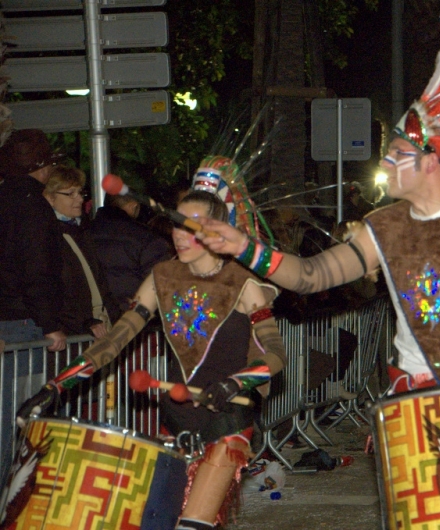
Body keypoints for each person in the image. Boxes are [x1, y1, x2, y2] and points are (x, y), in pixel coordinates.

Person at [197, 16, 440, 395]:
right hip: (409, 404)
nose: (385, 163)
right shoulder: (383, 225)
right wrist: (242, 246)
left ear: (429, 162)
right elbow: (309, 276)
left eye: (396, 154)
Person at [16, 188, 287, 530]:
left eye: (192, 226)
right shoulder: (162, 278)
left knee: (192, 525)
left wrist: (235, 382)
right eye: (176, 223)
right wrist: (56, 386)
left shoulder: (245, 284)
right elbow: (114, 342)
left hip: (227, 419)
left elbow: (276, 354)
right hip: (173, 420)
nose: (179, 234)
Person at [0, 129, 67, 351]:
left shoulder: (5, 198)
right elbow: (36, 266)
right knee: (23, 384)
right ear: (42, 167)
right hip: (22, 319)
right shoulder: (33, 207)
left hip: (8, 313)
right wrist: (49, 323)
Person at [43, 166, 120, 338]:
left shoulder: (82, 231)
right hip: (73, 332)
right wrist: (83, 322)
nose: (79, 199)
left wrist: (115, 315)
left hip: (95, 326)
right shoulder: (47, 235)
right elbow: (53, 291)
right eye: (70, 194)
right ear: (50, 198)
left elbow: (99, 282)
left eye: (80, 192)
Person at [88, 191, 173, 316]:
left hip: (92, 319)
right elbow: (160, 287)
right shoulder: (146, 238)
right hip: (133, 318)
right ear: (133, 206)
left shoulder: (84, 232)